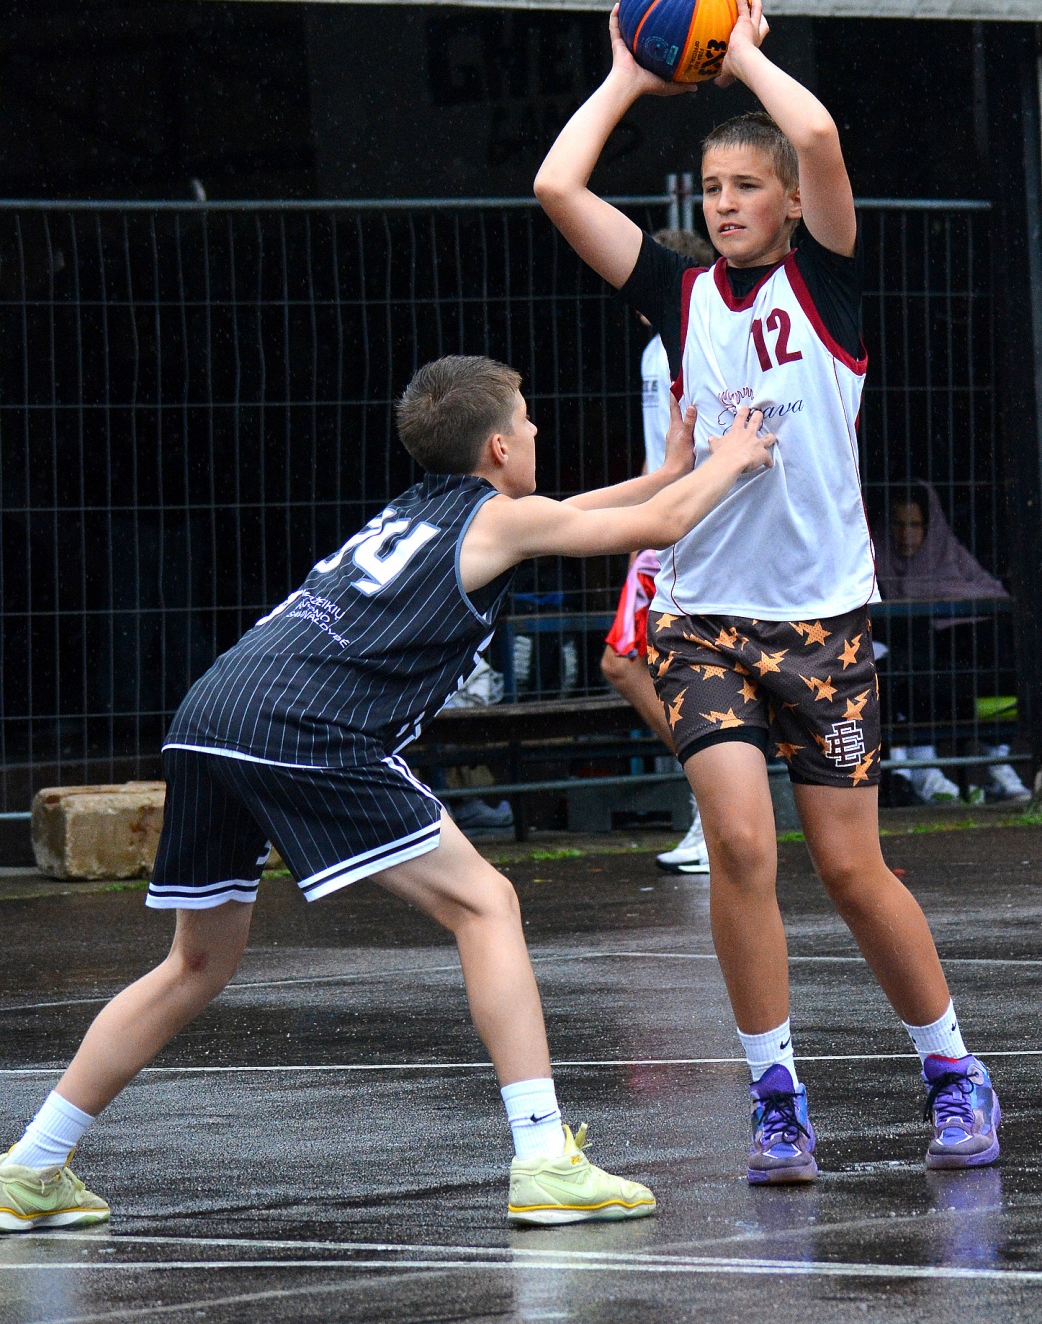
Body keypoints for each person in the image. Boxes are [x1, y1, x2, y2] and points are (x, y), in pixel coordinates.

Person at [0, 353, 775, 1233]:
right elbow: (658, 526)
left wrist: (668, 470)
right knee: (486, 904)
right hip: (302, 725)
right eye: (526, 419)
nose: (534, 430)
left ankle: (32, 1166)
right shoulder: (495, 520)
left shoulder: (421, 510)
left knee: (196, 964)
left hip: (213, 713)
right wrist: (731, 456)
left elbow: (578, 513)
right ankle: (544, 1160)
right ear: (497, 447)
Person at [534, 0, 1001, 1183]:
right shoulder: (679, 295)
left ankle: (952, 1069)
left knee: (849, 868)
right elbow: (557, 189)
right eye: (710, 189)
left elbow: (819, 134)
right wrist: (628, 77)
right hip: (701, 621)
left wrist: (738, 51)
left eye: (747, 186)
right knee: (741, 848)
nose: (725, 204)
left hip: (823, 623)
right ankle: (775, 1098)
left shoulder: (825, 285)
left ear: (790, 203)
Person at [602, 229, 716, 874]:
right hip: (665, 522)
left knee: (628, 662)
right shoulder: (658, 349)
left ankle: (715, 800)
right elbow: (662, 452)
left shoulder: (693, 342)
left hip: (684, 522)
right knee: (632, 662)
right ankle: (717, 797)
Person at [874, 481, 1030, 805]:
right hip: (913, 677)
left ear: (930, 526)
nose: (906, 535)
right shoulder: (875, 563)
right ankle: (921, 773)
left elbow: (993, 595)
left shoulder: (949, 557)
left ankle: (994, 762)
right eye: (898, 525)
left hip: (956, 673)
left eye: (915, 525)